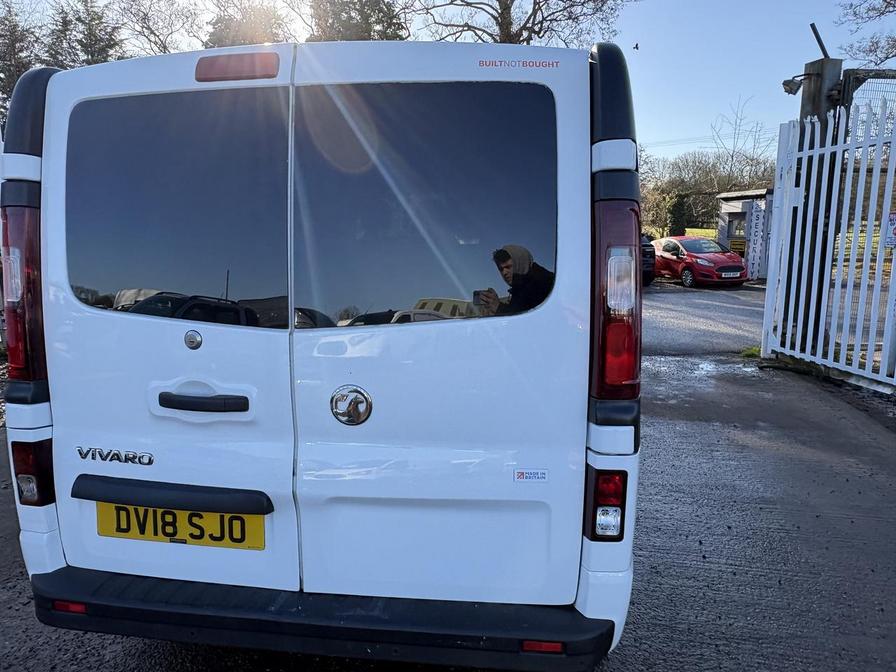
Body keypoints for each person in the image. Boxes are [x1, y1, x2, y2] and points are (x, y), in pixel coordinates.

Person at [479, 245, 554, 316]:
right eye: (501, 269)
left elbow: (529, 320)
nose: (504, 272)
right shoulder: (521, 286)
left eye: (508, 267)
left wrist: (499, 307)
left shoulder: (542, 283)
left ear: (520, 262)